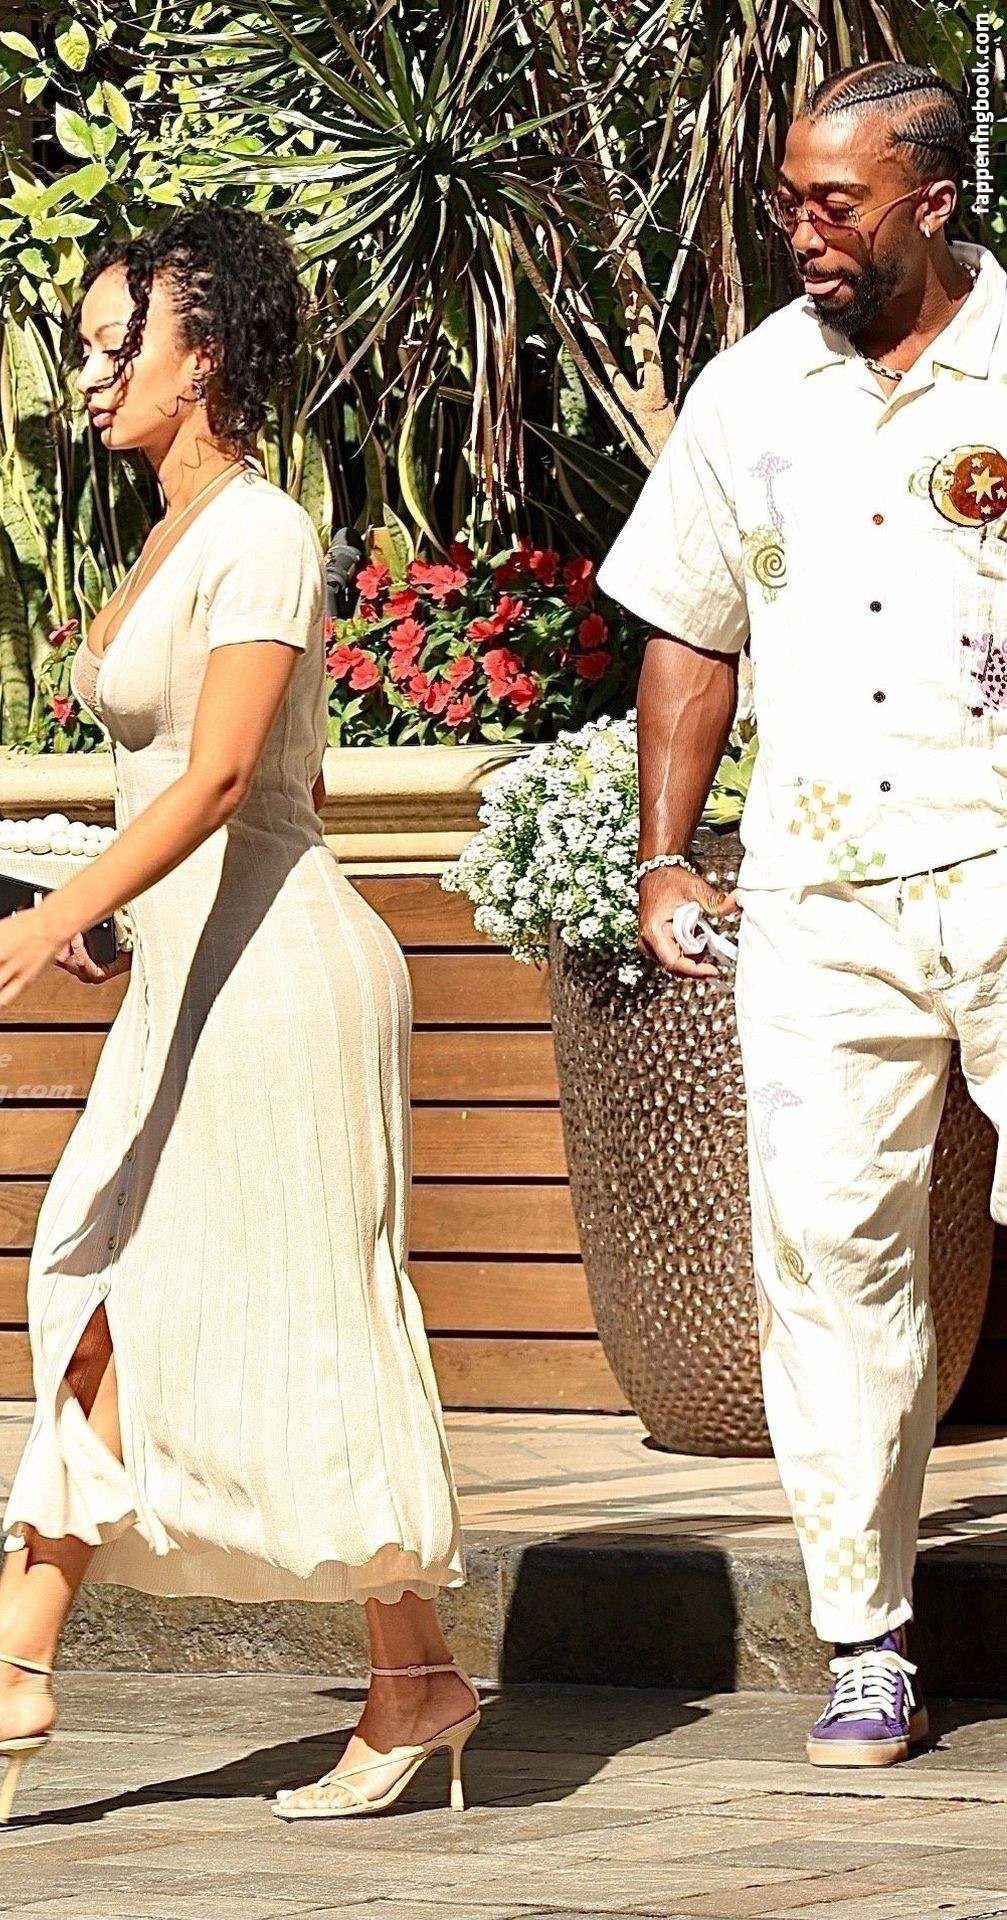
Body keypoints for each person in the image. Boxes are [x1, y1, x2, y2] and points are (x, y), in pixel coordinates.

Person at [0, 204, 478, 1823]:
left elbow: (226, 777)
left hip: (282, 981)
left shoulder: (265, 532)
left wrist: (49, 922)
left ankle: (25, 1663)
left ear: (204, 356)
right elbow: (198, 784)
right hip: (193, 978)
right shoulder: (174, 530)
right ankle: (386, 1678)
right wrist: (115, 924)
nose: (91, 373)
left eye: (120, 343)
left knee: (281, 1318)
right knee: (108, 1292)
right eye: (87, 346)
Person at [595, 60, 1007, 1767]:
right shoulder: (748, 388)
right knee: (832, 1261)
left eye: (835, 202)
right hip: (822, 890)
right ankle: (866, 1641)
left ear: (935, 199)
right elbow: (690, 626)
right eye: (786, 201)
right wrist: (663, 857)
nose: (803, 231)